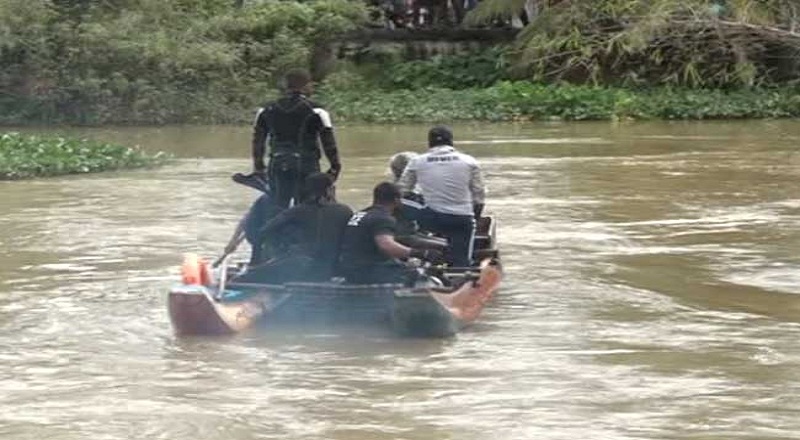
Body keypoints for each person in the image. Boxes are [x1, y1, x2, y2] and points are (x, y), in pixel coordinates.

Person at [234, 172, 353, 284]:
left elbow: (262, 233)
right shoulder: (345, 211)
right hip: (332, 268)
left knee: (246, 277)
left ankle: (242, 278)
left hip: (301, 266)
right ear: (330, 190)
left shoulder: (297, 211)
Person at [251, 68, 342, 208]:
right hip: (306, 165)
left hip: (277, 163)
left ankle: (276, 228)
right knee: (306, 207)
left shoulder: (266, 109)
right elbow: (329, 143)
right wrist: (334, 168)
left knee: (278, 207)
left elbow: (258, 142)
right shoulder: (316, 110)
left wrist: (259, 167)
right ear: (306, 86)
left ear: (286, 85)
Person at [397, 125, 486, 267]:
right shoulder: (469, 161)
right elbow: (479, 196)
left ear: (429, 143)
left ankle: (404, 238)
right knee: (461, 260)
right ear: (451, 142)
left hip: (430, 220)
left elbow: (402, 191)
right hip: (461, 219)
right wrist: (474, 219)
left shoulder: (417, 161)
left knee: (397, 201)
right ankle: (460, 269)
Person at [338, 182, 442, 285]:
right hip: (367, 271)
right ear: (396, 201)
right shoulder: (383, 217)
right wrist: (420, 253)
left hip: (348, 269)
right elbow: (386, 245)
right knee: (421, 277)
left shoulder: (360, 214)